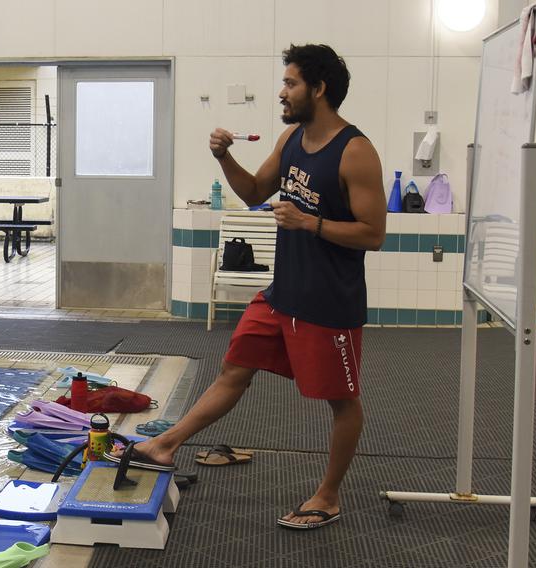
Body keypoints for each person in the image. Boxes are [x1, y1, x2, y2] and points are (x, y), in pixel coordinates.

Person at [111, 44, 386, 530]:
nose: (282, 92)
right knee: (232, 372)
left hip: (328, 305)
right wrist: (224, 157)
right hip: (281, 296)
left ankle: (329, 494)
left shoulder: (356, 151)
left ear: (318, 90)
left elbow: (374, 233)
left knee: (342, 402)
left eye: (291, 83)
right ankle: (165, 445)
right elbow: (255, 192)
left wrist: (309, 223)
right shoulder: (291, 139)